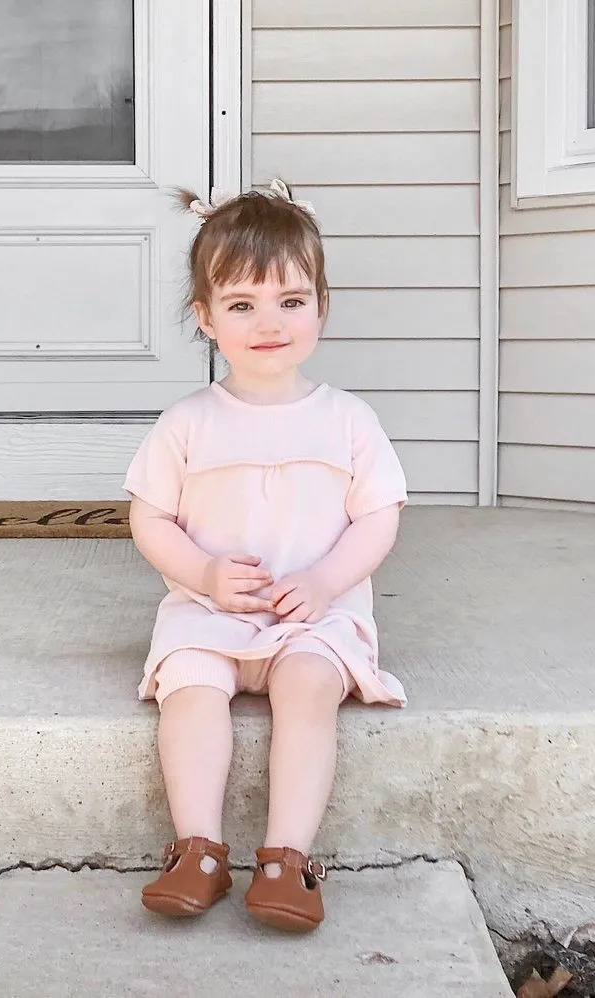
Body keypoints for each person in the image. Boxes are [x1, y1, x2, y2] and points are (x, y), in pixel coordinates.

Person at [123, 180, 408, 933]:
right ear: (207, 319)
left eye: (289, 300)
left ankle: (286, 857)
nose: (268, 322)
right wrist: (202, 574)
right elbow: (149, 517)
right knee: (190, 690)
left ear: (320, 306)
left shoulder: (348, 420)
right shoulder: (188, 423)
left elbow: (379, 519)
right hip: (209, 612)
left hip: (311, 616)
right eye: (242, 304)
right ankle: (199, 850)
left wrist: (326, 581)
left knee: (309, 688)